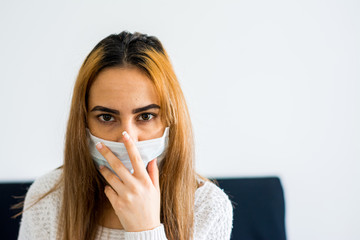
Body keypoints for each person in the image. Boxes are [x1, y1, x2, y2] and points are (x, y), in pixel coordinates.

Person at [17, 31, 233, 240]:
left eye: (146, 116)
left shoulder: (207, 206)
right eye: (107, 118)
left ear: (170, 119)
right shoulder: (47, 198)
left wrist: (145, 230)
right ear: (83, 122)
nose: (127, 138)